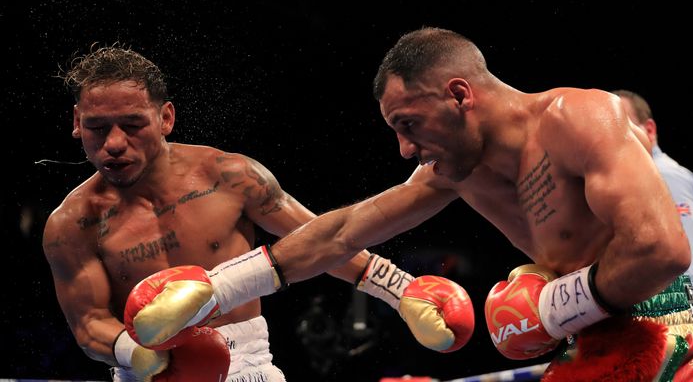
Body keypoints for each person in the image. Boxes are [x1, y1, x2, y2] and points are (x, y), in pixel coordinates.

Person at [128, 28, 693, 381]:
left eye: (409, 124)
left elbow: (662, 249)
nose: (404, 148)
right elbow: (342, 232)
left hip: (667, 344)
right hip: (590, 348)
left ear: (460, 94)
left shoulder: (580, 118)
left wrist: (550, 309)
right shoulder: (454, 171)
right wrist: (219, 287)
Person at [42, 45, 472, 381]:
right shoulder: (72, 224)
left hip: (246, 365)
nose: (114, 143)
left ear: (166, 117)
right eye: (98, 127)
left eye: (133, 124)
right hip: (146, 373)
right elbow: (89, 323)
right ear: (77, 122)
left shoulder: (229, 175)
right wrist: (140, 356)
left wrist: (400, 291)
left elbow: (322, 240)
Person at [614, 88, 693, 381]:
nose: (611, 137)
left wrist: (682, 345)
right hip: (680, 338)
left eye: (621, 125)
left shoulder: (665, 178)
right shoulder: (636, 182)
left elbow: (688, 264)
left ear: (649, 129)